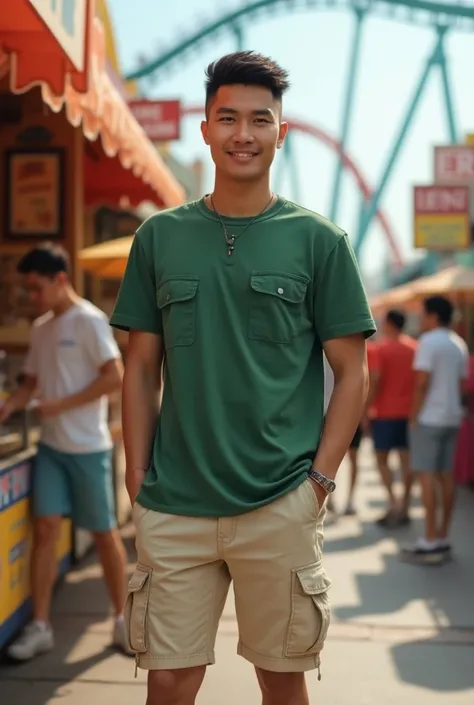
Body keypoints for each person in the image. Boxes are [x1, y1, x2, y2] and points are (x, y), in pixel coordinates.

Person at [111, 51, 376, 705]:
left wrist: (318, 482)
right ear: (204, 128)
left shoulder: (320, 241)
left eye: (260, 120)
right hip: (174, 500)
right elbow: (141, 365)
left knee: (281, 679)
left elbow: (352, 373)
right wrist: (136, 476)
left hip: (281, 501)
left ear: (280, 132)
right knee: (168, 680)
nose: (243, 134)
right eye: (227, 118)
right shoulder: (158, 238)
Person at [0, 243, 130, 660]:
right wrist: (9, 406)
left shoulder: (91, 321)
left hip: (89, 448)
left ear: (61, 279)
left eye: (36, 288)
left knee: (104, 534)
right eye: (28, 290)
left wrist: (62, 405)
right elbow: (29, 383)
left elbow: (116, 377)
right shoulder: (41, 328)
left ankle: (121, 621)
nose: (32, 297)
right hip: (52, 448)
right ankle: (40, 626)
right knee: (46, 532)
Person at [403, 296, 469, 563]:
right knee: (446, 476)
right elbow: (463, 384)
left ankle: (429, 539)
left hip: (429, 417)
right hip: (453, 417)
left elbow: (421, 383)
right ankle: (442, 536)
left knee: (427, 476)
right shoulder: (459, 343)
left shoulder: (428, 342)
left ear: (432, 316)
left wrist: (413, 416)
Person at [369, 310, 417, 527]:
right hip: (410, 413)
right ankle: (405, 505)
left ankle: (393, 502)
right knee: (407, 461)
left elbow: (376, 380)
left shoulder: (382, 348)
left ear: (388, 324)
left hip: (385, 413)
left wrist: (366, 409)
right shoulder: (415, 348)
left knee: (381, 460)